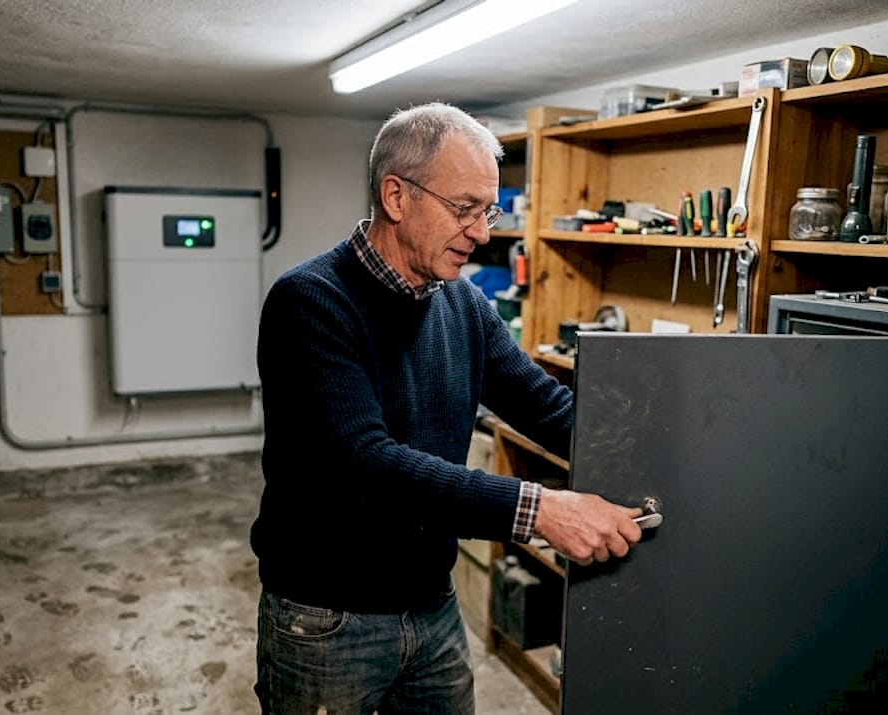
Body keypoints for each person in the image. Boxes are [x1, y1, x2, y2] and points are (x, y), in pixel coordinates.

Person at [251, 102, 643, 714]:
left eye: (486, 211)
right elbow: (367, 464)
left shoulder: (462, 304)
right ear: (396, 196)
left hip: (431, 605)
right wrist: (540, 510)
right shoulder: (310, 302)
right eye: (464, 209)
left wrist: (659, 447)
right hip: (327, 618)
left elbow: (544, 406)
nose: (483, 232)